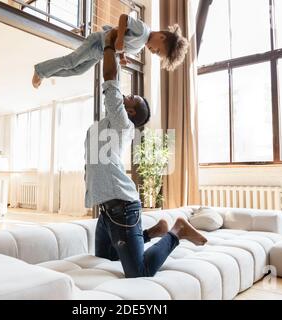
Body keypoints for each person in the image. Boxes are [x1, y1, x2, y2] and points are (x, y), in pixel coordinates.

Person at [84, 29, 207, 278]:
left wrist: (110, 44)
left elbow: (109, 77)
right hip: (107, 209)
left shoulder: (122, 123)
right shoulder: (111, 122)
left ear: (129, 112)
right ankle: (153, 232)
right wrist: (118, 56)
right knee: (106, 256)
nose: (126, 95)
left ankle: (176, 232)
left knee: (138, 271)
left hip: (122, 207)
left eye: (131, 98)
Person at [32, 14, 189, 88]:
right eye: (157, 51)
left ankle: (46, 73)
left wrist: (122, 56)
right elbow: (123, 18)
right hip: (98, 42)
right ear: (161, 37)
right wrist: (120, 38)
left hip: (100, 53)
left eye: (155, 54)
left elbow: (121, 45)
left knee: (78, 71)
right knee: (71, 61)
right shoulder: (143, 30)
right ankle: (40, 70)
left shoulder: (140, 46)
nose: (153, 51)